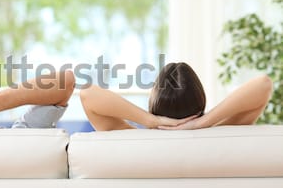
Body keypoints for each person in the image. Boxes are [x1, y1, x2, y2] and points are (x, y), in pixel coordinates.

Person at [79, 62, 273, 131]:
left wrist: (151, 120)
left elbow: (87, 94)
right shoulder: (223, 134)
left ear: (152, 102)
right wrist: (202, 123)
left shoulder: (131, 139)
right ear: (200, 101)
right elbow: (263, 84)